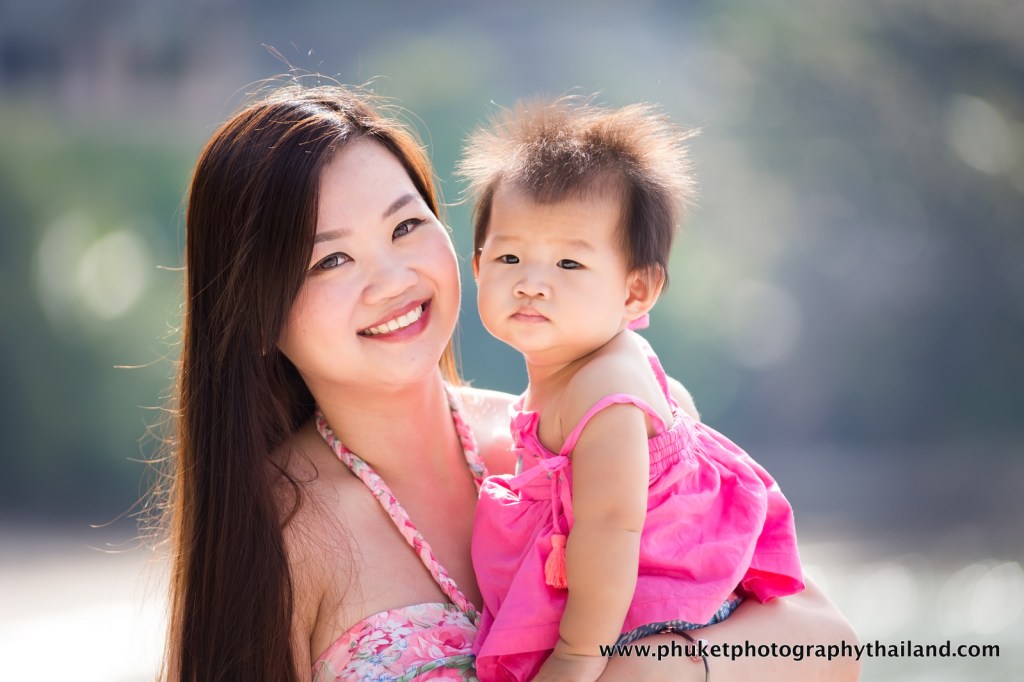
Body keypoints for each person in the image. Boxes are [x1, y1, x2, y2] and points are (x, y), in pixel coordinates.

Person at [157, 82, 860, 682]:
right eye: (331, 261)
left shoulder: (583, 425)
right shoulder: (277, 533)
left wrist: (656, 667)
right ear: (253, 312)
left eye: (405, 227)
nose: (393, 281)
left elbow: (826, 641)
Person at [461, 98, 810, 681]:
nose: (531, 284)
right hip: (623, 601)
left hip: (648, 611)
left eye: (569, 264)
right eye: (510, 256)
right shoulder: (582, 369)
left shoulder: (606, 395)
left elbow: (611, 530)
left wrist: (576, 655)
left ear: (636, 291)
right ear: (477, 267)